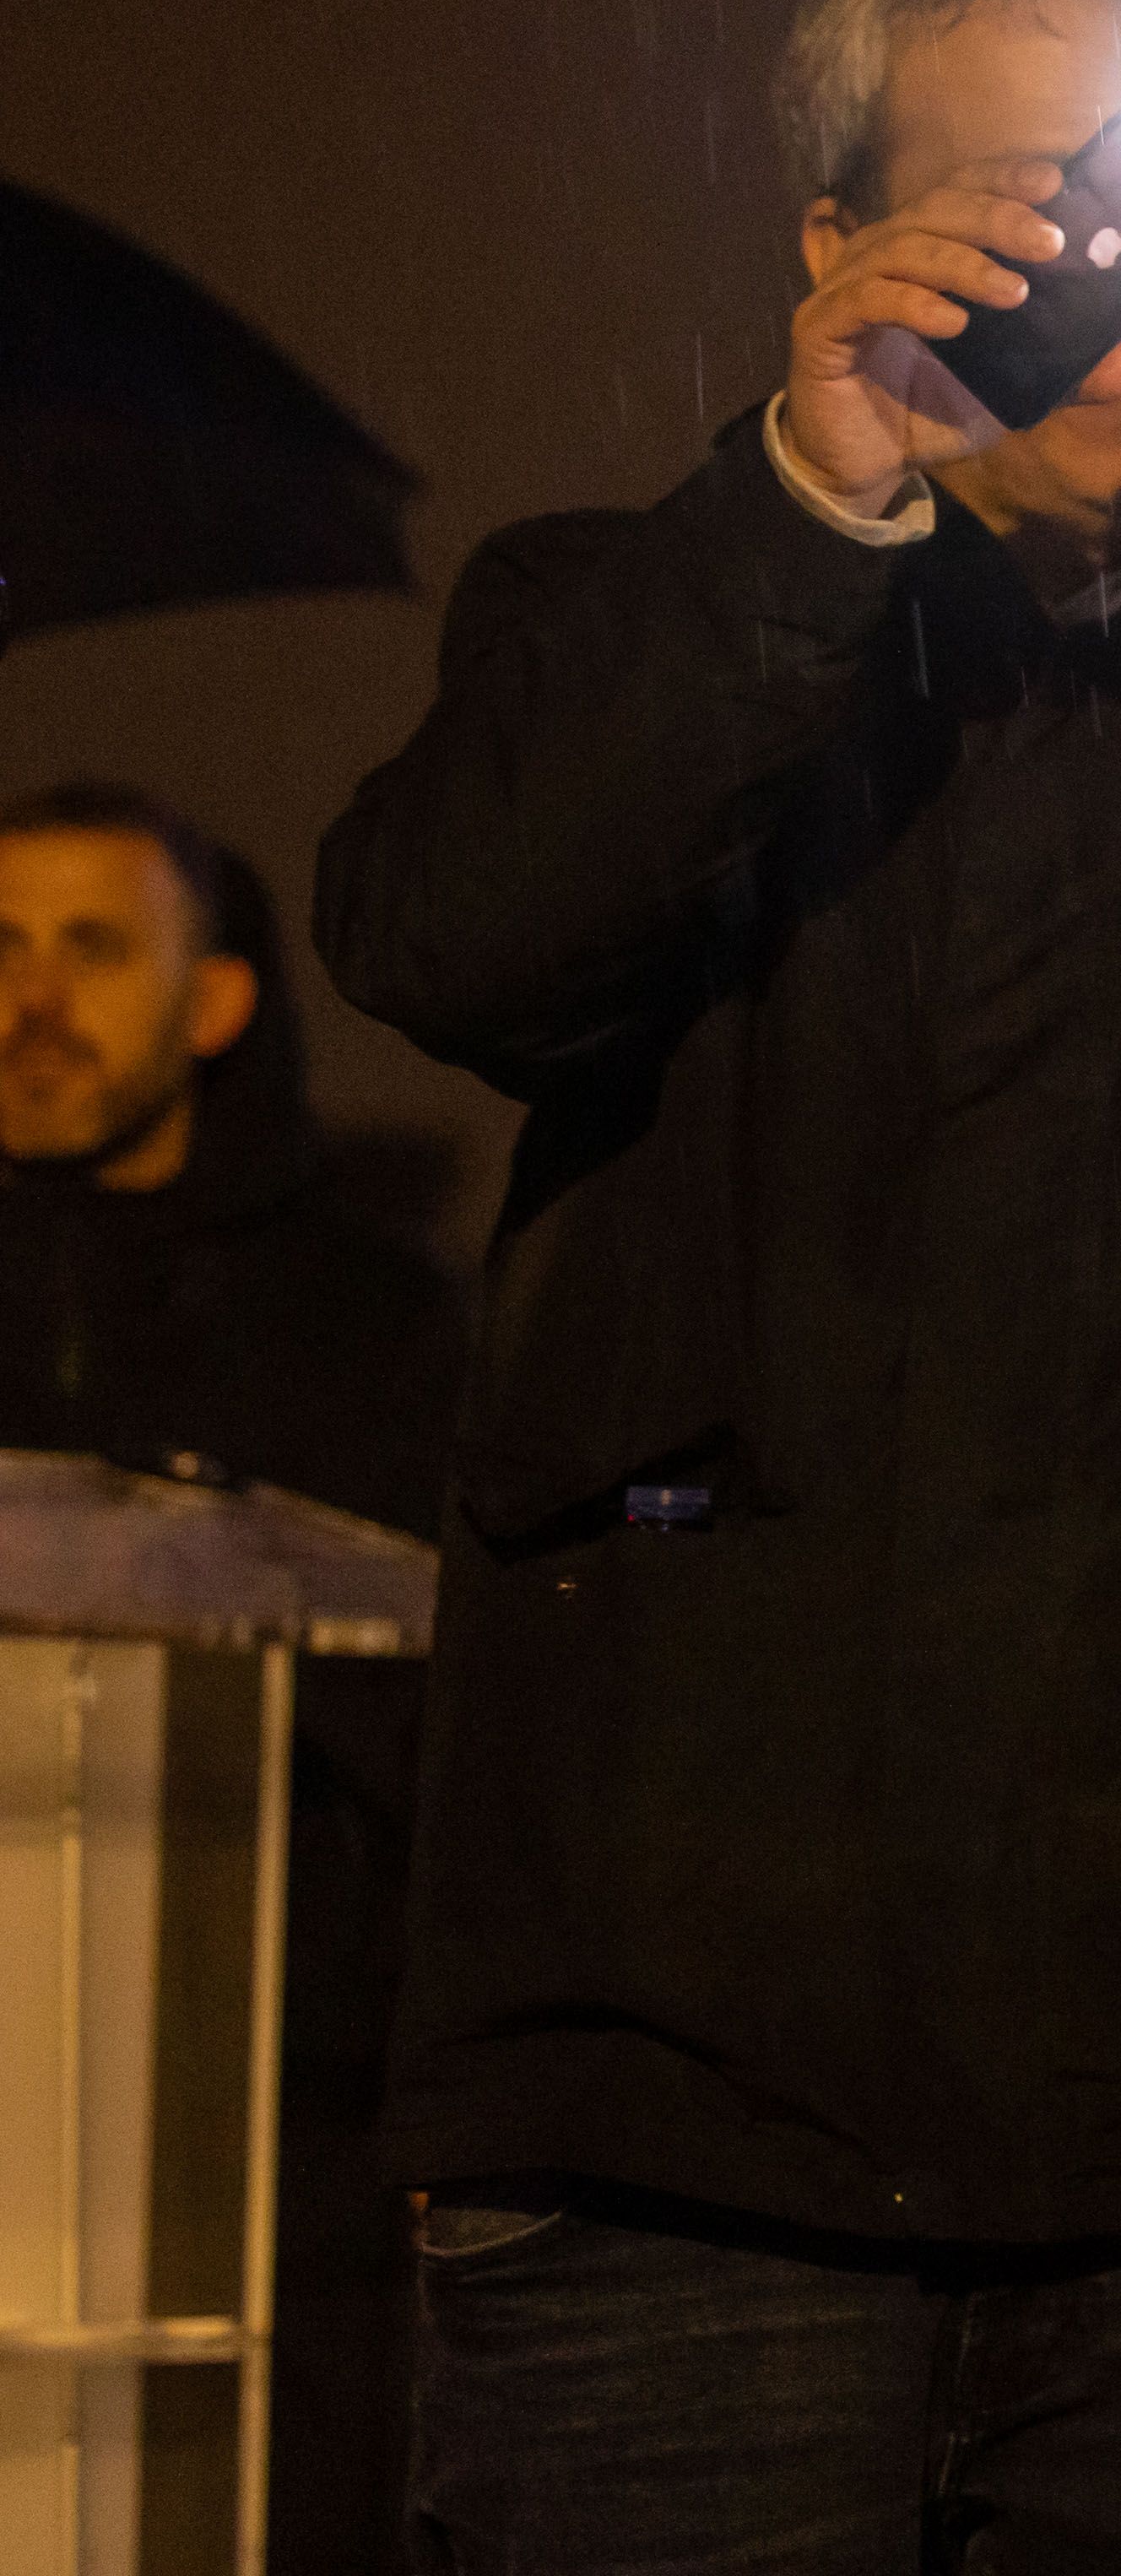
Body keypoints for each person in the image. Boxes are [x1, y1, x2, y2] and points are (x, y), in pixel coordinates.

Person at [317, 0, 1121, 2569]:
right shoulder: (644, 607)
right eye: (1021, 208)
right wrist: (812, 502)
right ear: (835, 246)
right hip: (668, 2129)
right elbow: (447, 941)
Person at [3, 782, 458, 2568]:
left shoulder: (374, 1325)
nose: (33, 996)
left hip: (268, 2126)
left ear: (213, 1000)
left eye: (92, 947)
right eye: (5, 949)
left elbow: (441, 1731)